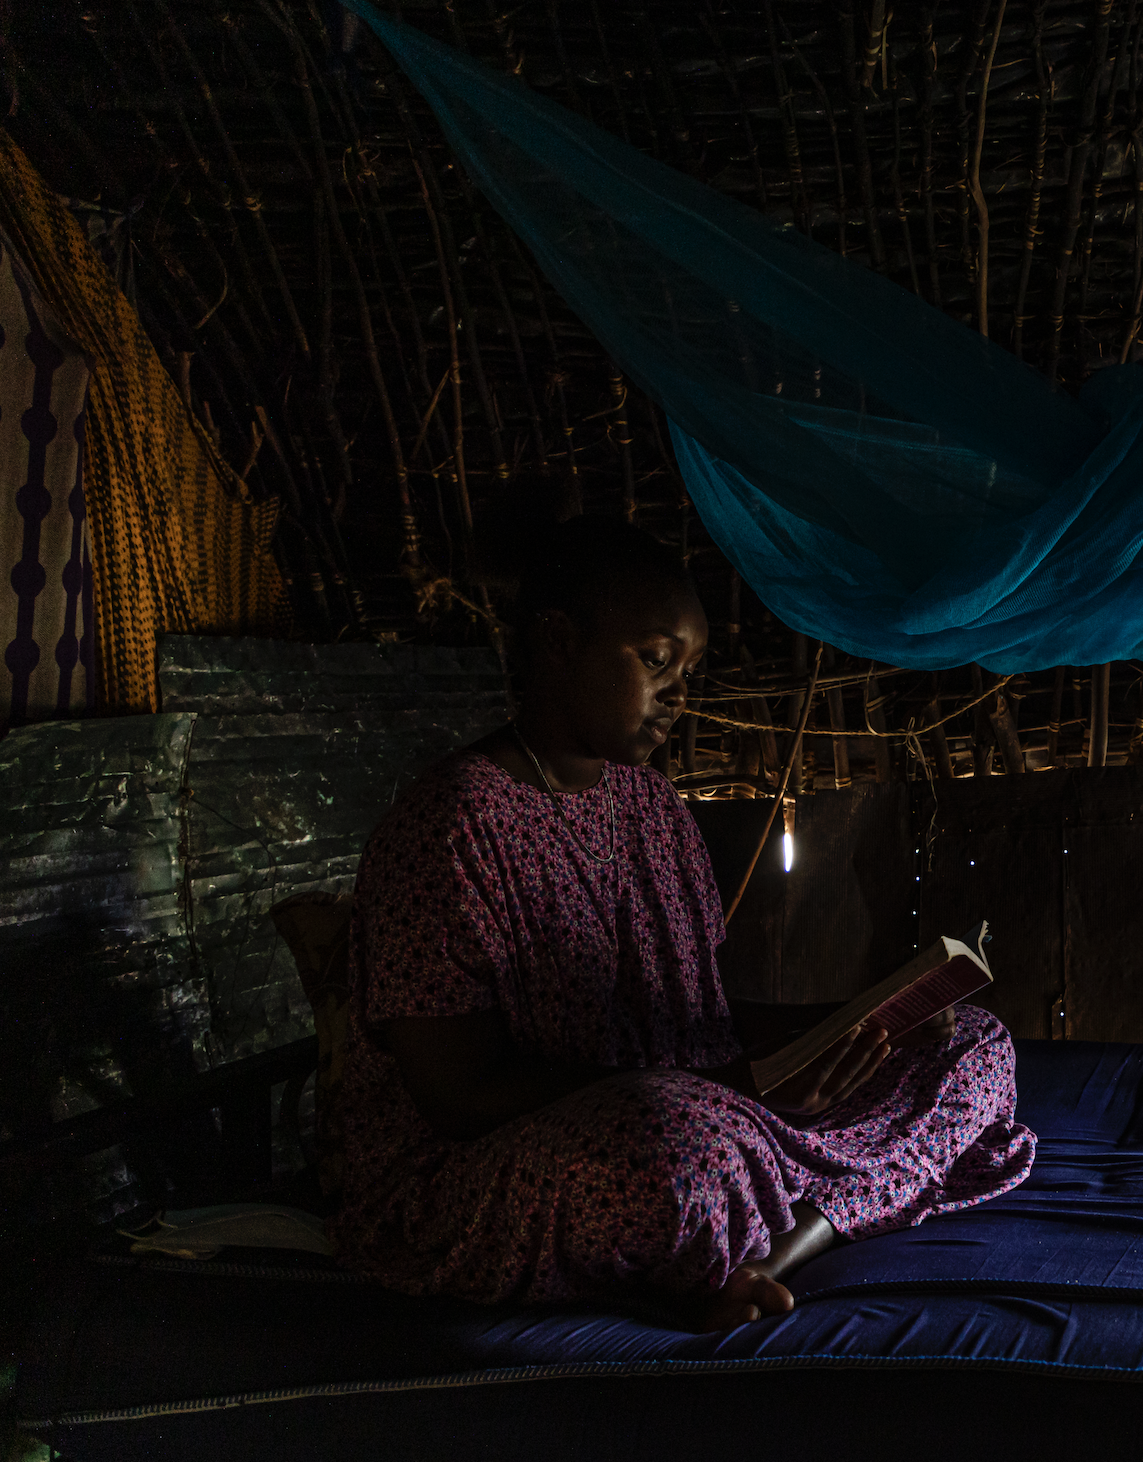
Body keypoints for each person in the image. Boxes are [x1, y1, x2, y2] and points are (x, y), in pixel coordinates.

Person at [328, 516, 1035, 1329]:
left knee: (971, 1046)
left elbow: (697, 1023)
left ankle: (777, 1249)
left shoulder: (651, 806)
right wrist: (722, 1088)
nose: (680, 694)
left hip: (705, 1104)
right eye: (656, 660)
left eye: (689, 670)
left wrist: (850, 1026)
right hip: (498, 1163)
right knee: (670, 1151)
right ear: (558, 643)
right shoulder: (449, 825)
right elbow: (457, 1096)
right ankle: (804, 1202)